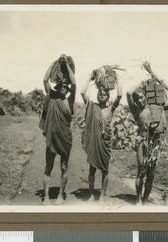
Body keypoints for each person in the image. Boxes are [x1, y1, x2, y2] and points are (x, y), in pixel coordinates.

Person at [126, 69, 168, 205]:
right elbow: (128, 93)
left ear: (146, 96)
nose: (141, 100)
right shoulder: (136, 110)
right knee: (141, 171)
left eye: (142, 97)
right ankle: (138, 200)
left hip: (155, 142)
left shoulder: (158, 107)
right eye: (138, 99)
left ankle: (145, 200)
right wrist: (141, 82)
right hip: (142, 141)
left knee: (151, 173)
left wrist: (163, 84)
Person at [39, 55, 76, 205]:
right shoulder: (52, 96)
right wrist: (55, 62)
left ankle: (61, 194)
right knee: (48, 167)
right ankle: (46, 197)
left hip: (66, 139)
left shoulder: (70, 100)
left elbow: (73, 83)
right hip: (52, 139)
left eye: (65, 86)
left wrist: (66, 65)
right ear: (57, 87)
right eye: (61, 85)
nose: (63, 87)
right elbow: (45, 80)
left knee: (64, 167)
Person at [81, 77, 122, 203]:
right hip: (94, 142)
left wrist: (117, 78)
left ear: (108, 96)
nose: (102, 95)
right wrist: (89, 78)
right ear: (98, 96)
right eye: (100, 93)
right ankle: (92, 195)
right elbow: (82, 93)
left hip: (105, 142)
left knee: (105, 170)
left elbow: (120, 95)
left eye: (105, 94)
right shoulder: (93, 107)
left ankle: (102, 196)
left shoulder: (110, 108)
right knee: (92, 169)